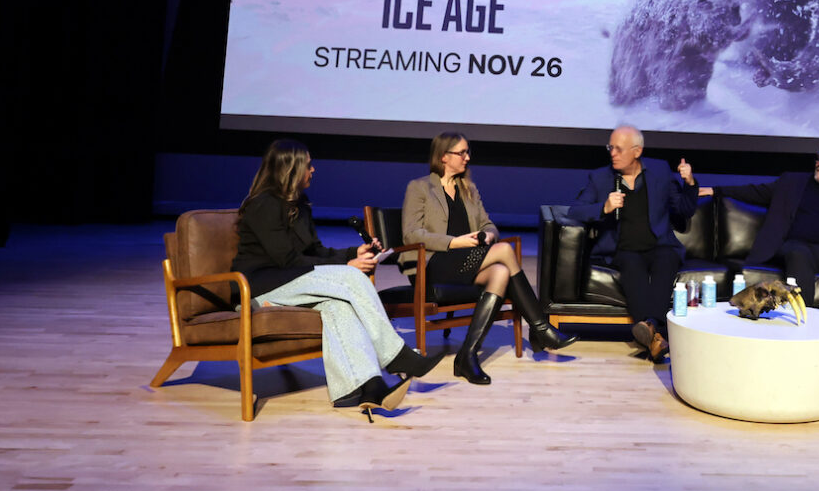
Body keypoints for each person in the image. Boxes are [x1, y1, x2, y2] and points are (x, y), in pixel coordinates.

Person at [231, 139, 445, 417]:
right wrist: (349, 265)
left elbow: (315, 251)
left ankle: (366, 386)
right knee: (350, 277)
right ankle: (396, 356)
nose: (313, 170)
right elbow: (286, 259)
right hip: (261, 287)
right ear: (291, 169)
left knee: (338, 307)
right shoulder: (264, 205)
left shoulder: (298, 205)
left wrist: (351, 253)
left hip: (294, 281)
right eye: (308, 165)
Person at [402, 131, 577, 385]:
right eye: (461, 153)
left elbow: (489, 224)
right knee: (506, 252)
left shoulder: (468, 188)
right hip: (433, 263)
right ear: (443, 156)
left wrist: (486, 236)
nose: (467, 157)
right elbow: (411, 234)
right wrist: (455, 242)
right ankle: (541, 328)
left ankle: (467, 354)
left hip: (467, 260)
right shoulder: (419, 187)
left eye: (467, 152)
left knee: (501, 272)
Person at [697, 138, 819, 324]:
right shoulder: (793, 183)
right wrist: (716, 190)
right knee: (798, 254)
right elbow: (755, 191)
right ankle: (804, 328)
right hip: (799, 247)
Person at [568, 125, 699, 362]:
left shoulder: (659, 171)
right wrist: (604, 207)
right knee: (632, 267)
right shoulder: (600, 177)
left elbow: (683, 209)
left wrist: (690, 183)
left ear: (637, 151)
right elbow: (574, 211)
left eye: (618, 149)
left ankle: (649, 331)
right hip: (624, 249)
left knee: (667, 260)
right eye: (610, 147)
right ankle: (656, 333)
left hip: (660, 245)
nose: (612, 153)